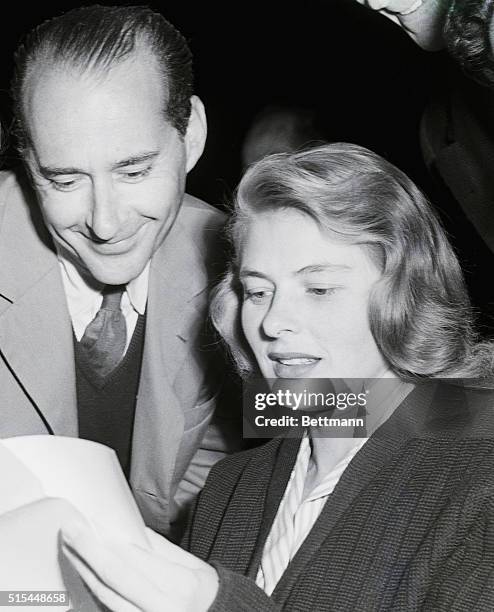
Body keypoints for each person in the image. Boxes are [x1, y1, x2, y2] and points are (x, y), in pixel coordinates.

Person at [58, 144, 494, 611]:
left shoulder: (478, 475)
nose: (272, 322)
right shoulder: (232, 484)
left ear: (404, 293)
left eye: (319, 288)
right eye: (258, 290)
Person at [0, 5, 241, 537]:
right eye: (64, 181)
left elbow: (339, 410)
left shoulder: (238, 259)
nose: (105, 224)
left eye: (134, 170)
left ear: (192, 135)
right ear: (27, 160)